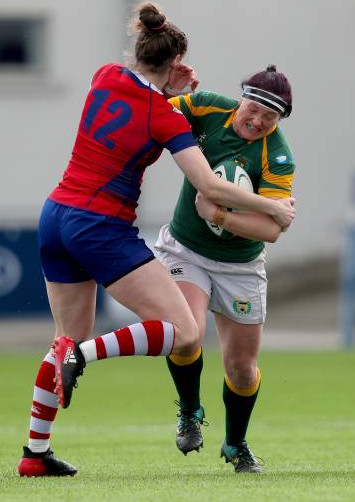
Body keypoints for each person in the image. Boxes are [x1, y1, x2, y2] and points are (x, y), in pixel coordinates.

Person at [16, 3, 295, 477]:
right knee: (184, 332)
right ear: (174, 62)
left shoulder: (104, 75)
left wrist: (168, 85)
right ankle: (82, 356)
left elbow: (135, 88)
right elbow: (207, 186)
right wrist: (273, 206)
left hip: (56, 214)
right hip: (99, 225)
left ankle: (34, 454)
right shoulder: (164, 118)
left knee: (64, 335)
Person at [153, 65, 295, 473]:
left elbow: (271, 232)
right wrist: (166, 88)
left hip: (241, 266)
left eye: (271, 117)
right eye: (253, 109)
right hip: (186, 250)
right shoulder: (206, 108)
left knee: (243, 370)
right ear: (240, 99)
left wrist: (218, 214)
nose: (258, 121)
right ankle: (191, 412)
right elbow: (154, 110)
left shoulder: (277, 154)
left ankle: (235, 444)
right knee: (185, 334)